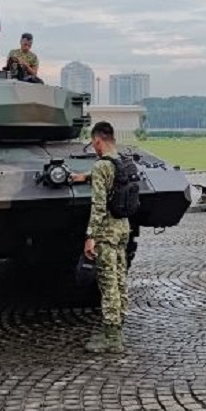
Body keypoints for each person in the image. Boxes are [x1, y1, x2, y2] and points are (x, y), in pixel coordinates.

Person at [71, 121, 131, 354]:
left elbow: (98, 205)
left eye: (93, 143)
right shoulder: (123, 161)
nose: (93, 147)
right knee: (119, 278)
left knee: (107, 285)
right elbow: (112, 178)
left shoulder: (100, 167)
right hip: (123, 228)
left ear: (98, 140)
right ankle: (119, 325)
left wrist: (90, 236)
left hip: (105, 231)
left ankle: (112, 338)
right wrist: (85, 177)